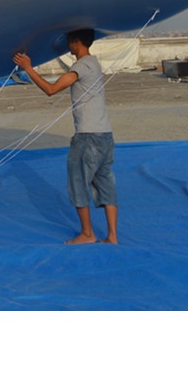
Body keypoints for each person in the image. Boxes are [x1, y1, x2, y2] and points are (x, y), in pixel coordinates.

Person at [13, 29, 118, 245]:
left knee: (78, 183)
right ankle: (112, 236)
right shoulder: (95, 64)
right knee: (106, 184)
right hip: (105, 135)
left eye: (70, 41)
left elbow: (51, 89)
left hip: (88, 137)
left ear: (76, 42)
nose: (68, 46)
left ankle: (87, 234)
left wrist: (28, 68)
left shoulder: (81, 66)